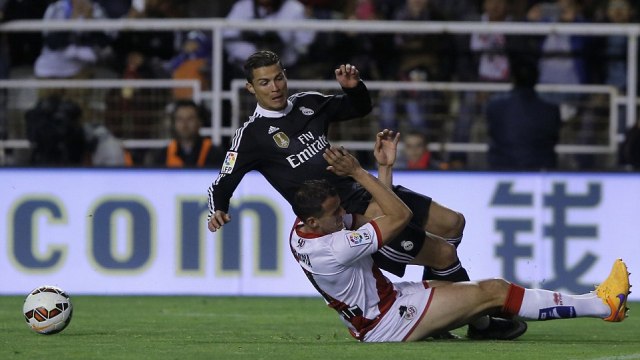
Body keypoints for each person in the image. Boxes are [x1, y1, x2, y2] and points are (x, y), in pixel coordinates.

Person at [206, 51, 524, 339]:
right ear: (251, 89)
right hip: (345, 217)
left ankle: (439, 317)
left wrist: (353, 87)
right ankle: (478, 323)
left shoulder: (308, 104)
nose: (275, 87)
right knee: (443, 255)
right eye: (264, 82)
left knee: (453, 222)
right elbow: (223, 181)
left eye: (278, 78)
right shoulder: (251, 136)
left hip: (366, 190)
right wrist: (218, 208)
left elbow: (358, 107)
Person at [290, 143, 630, 342]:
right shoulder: (334, 247)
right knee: (494, 290)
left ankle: (482, 326)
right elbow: (399, 217)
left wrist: (385, 169)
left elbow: (383, 215)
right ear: (313, 221)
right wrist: (362, 173)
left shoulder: (303, 232)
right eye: (336, 213)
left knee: (456, 270)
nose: (343, 214)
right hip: (387, 321)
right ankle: (602, 305)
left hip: (389, 301)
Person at [486, 59, 562, 170]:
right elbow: (554, 138)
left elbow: (492, 132)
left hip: (503, 167)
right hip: (539, 169)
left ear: (513, 78)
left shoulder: (495, 105)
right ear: (536, 79)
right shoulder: (551, 110)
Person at [156, 100, 225, 168]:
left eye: (190, 119)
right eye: (180, 119)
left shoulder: (214, 153)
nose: (184, 124)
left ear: (199, 122)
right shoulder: (164, 155)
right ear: (174, 123)